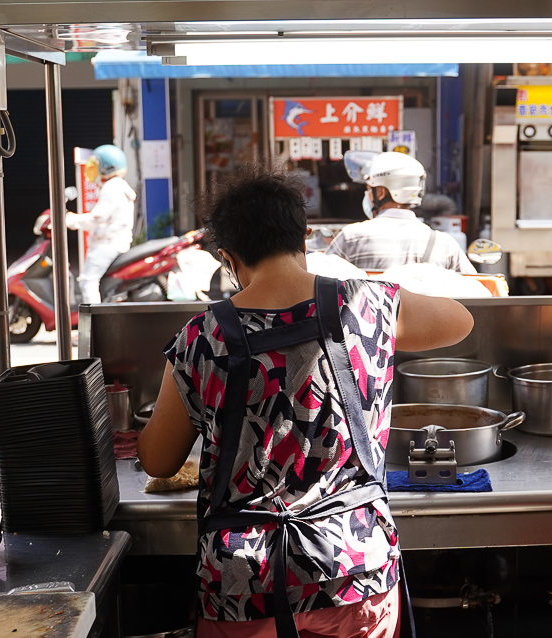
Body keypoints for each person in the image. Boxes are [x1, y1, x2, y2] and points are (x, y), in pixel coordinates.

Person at [137, 167, 474, 638]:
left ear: (227, 258)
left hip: (244, 583)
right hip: (354, 568)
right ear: (306, 236)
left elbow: (157, 459)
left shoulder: (202, 336)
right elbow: (461, 321)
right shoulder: (366, 304)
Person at [324, 151, 477, 273]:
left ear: (381, 192)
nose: (368, 195)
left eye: (370, 189)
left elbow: (321, 286)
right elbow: (473, 291)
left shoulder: (351, 238)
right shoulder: (445, 244)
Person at [66, 144, 137, 303]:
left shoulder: (111, 188)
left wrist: (71, 220)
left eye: (96, 166)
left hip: (107, 244)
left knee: (87, 281)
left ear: (107, 167)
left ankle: (94, 323)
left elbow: (96, 218)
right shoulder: (118, 186)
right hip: (116, 242)